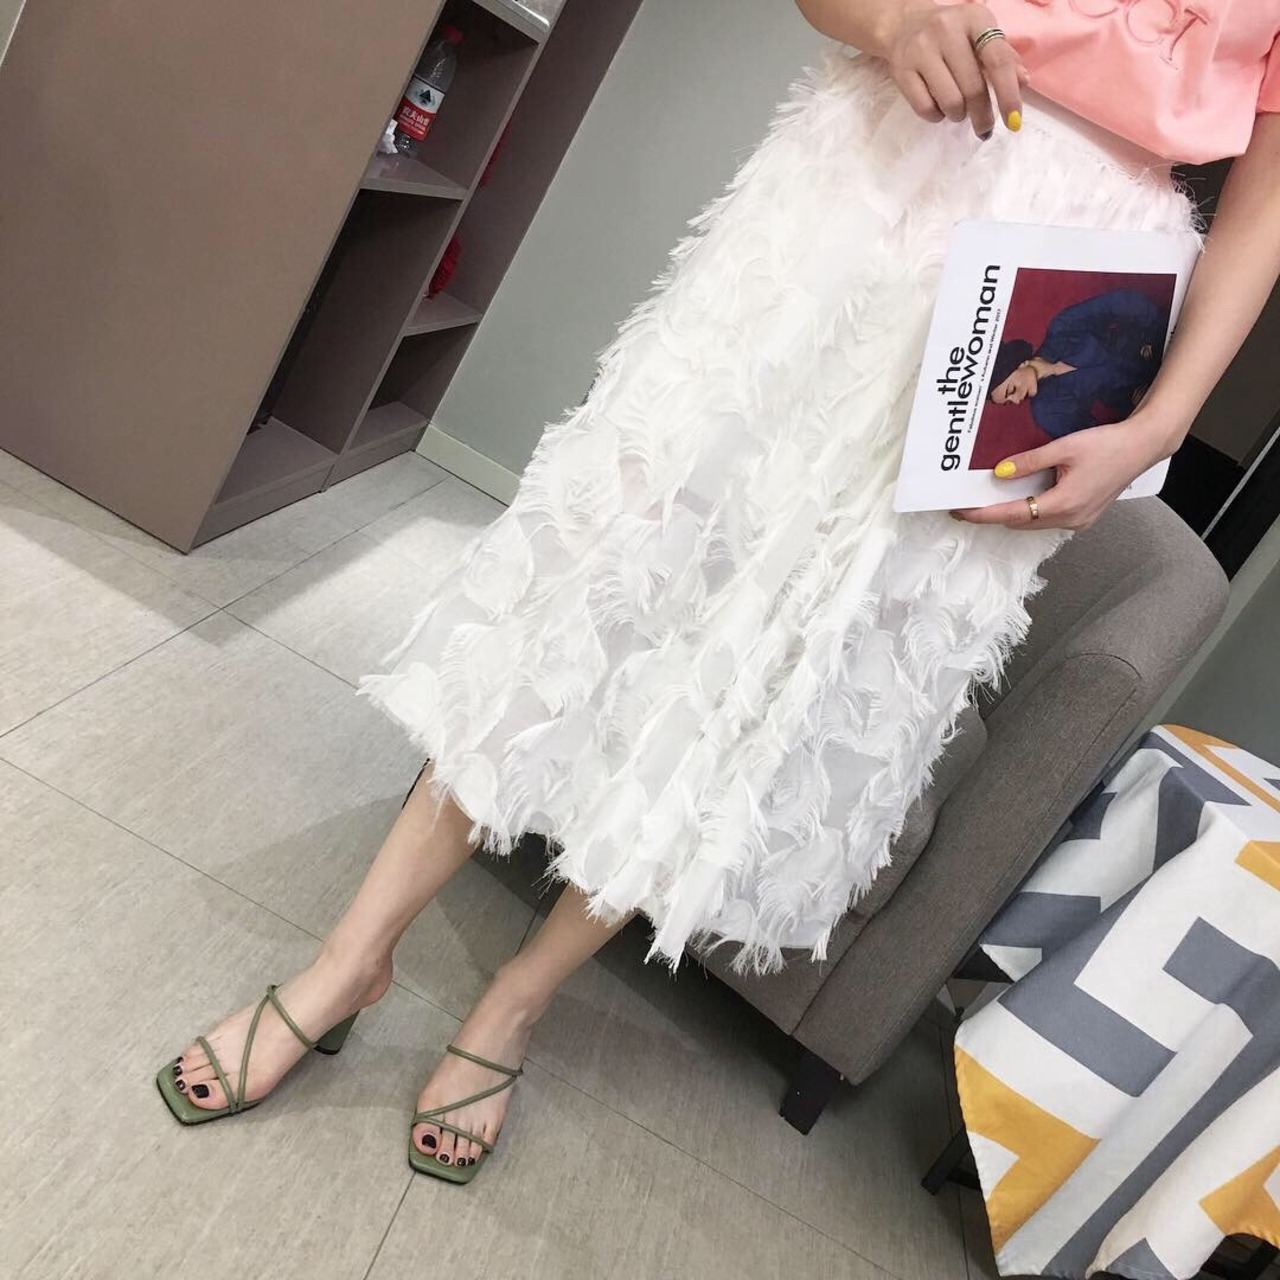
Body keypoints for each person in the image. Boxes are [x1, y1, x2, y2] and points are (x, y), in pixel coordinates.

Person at [157, 0, 1280, 1185]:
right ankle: (351, 956)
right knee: (606, 569)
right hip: (878, 176)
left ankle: (518, 998)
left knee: (777, 678)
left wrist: (1160, 421)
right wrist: (894, 16)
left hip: (1076, 287)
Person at [987, 288, 1168, 436]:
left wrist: (1156, 334)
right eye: (1008, 402)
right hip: (1151, 399)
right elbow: (1093, 442)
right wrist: (1142, 415)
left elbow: (1119, 302)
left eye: (1011, 390)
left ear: (1020, 364)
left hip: (1163, 347)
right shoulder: (1047, 410)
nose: (1016, 401)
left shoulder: (1062, 329)